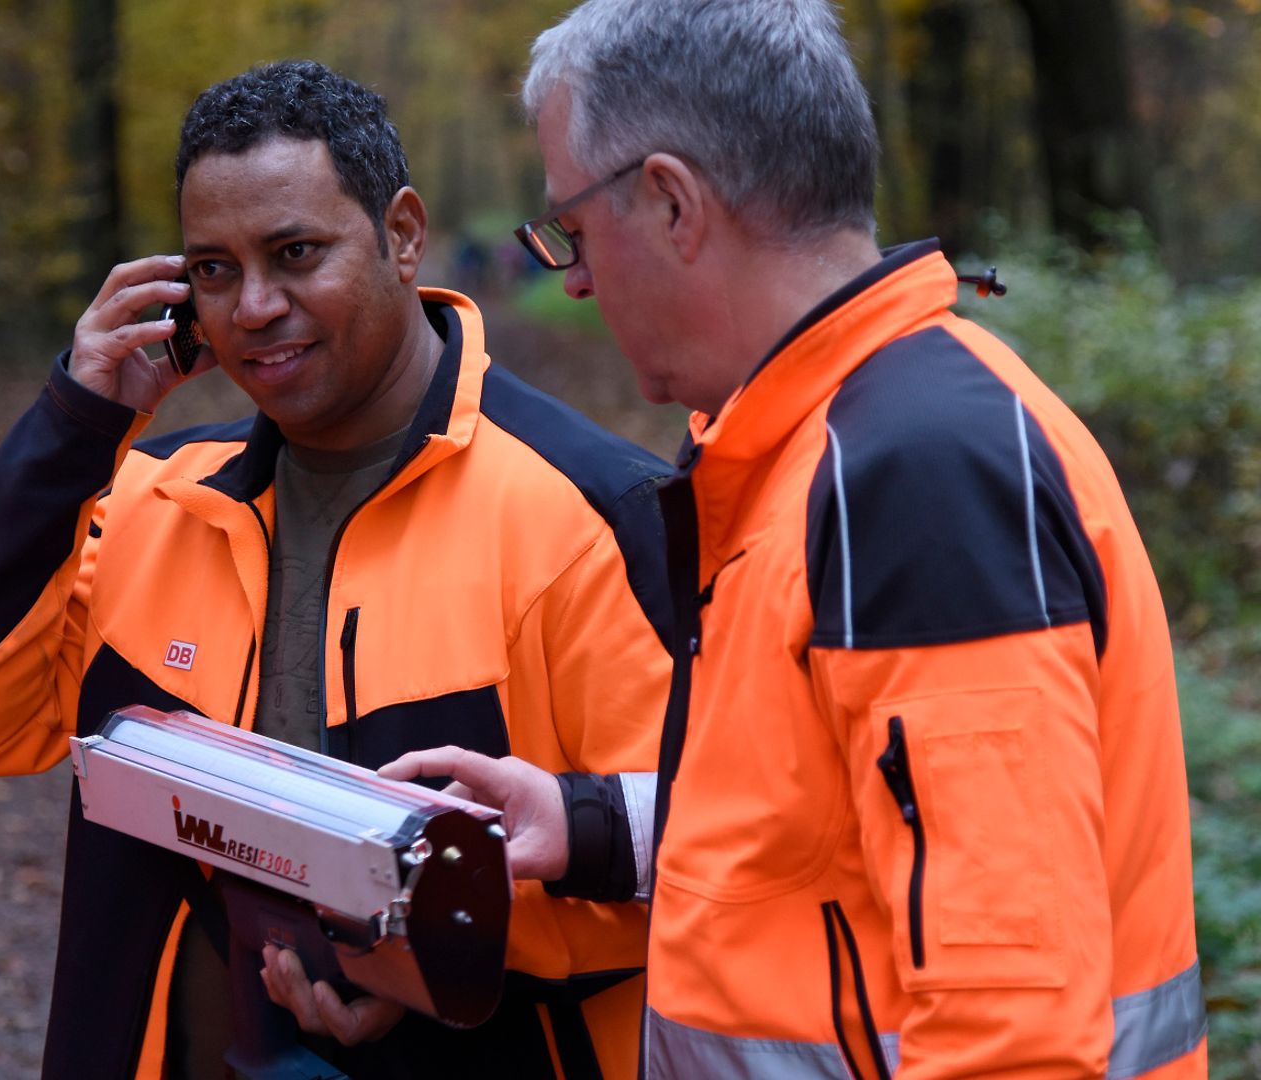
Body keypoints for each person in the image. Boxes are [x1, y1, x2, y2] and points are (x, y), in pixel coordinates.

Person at [388, 1, 1208, 1077]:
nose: (572, 278)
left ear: (673, 202)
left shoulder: (916, 476)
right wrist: (588, 825)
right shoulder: (814, 447)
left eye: (572, 234)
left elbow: (1010, 1027)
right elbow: (840, 819)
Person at [0, 60, 672, 1079]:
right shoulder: (148, 493)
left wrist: (424, 965)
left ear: (403, 234)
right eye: (213, 270)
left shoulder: (590, 513)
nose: (253, 306)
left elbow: (696, 866)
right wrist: (73, 429)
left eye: (296, 253)